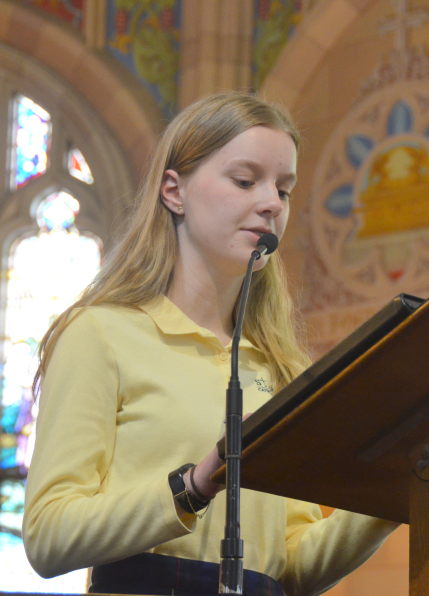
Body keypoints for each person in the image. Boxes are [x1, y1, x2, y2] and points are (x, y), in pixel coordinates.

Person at [23, 92, 398, 596]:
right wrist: (191, 488)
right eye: (245, 181)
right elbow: (48, 535)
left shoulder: (280, 366)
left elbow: (294, 564)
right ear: (174, 191)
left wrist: (393, 488)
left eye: (283, 191)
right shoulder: (101, 334)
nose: (271, 204)